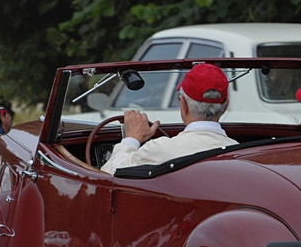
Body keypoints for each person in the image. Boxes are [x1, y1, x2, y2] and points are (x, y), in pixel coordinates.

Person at [101, 63, 236, 173]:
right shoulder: (239, 152)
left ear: (183, 104)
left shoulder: (160, 149)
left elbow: (109, 174)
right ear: (225, 107)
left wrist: (131, 139)